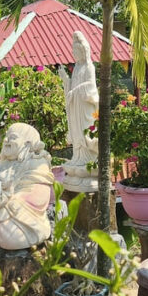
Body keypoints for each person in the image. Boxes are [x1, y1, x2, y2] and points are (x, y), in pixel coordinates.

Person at [58, 31, 99, 191]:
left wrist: (77, 90)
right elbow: (71, 88)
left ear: (84, 51)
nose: (75, 54)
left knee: (86, 132)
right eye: (73, 52)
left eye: (77, 51)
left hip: (85, 107)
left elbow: (91, 87)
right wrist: (65, 80)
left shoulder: (89, 67)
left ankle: (90, 159)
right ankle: (78, 157)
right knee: (77, 133)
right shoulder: (76, 68)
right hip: (76, 106)